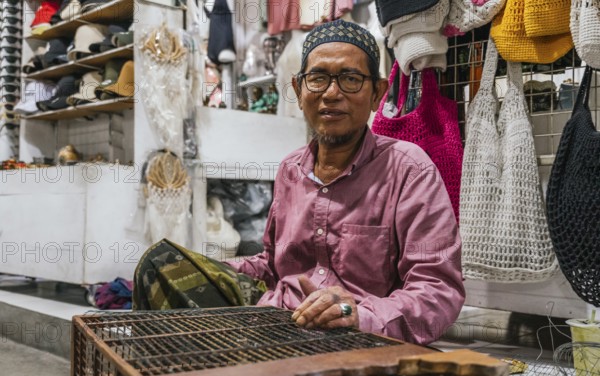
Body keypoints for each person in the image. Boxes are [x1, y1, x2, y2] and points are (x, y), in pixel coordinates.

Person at [133, 19, 464, 345]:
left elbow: (437, 290)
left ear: (377, 92)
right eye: (318, 78)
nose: (332, 93)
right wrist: (215, 269)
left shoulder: (408, 168)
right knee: (162, 264)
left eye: (350, 79)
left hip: (355, 340)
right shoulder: (290, 169)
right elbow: (273, 265)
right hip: (277, 323)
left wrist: (357, 314)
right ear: (298, 89)